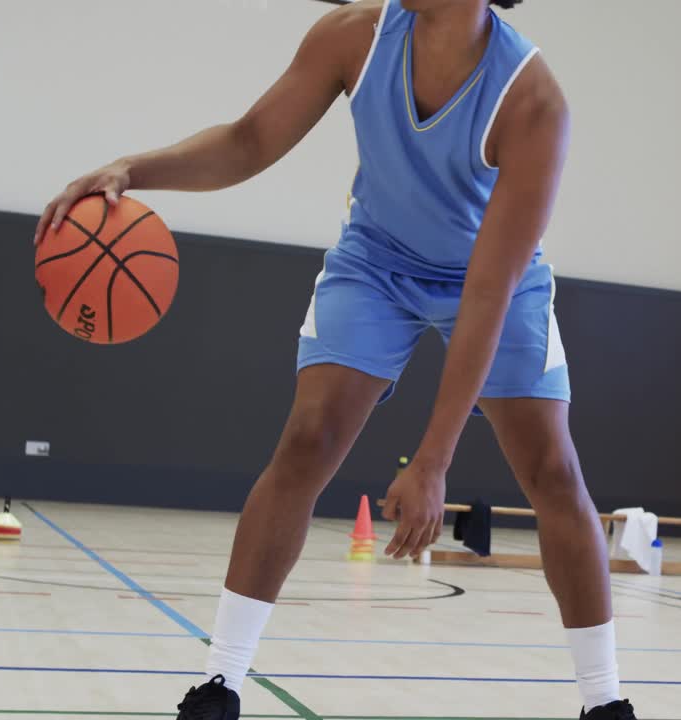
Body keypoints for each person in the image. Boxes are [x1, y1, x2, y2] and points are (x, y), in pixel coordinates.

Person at [35, 1, 636, 718]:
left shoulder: (533, 102)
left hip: (490, 279)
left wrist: (433, 460)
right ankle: (220, 681)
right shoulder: (354, 35)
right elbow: (250, 140)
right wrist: (131, 169)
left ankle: (606, 701)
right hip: (376, 260)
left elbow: (488, 291)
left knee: (552, 470)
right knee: (308, 436)